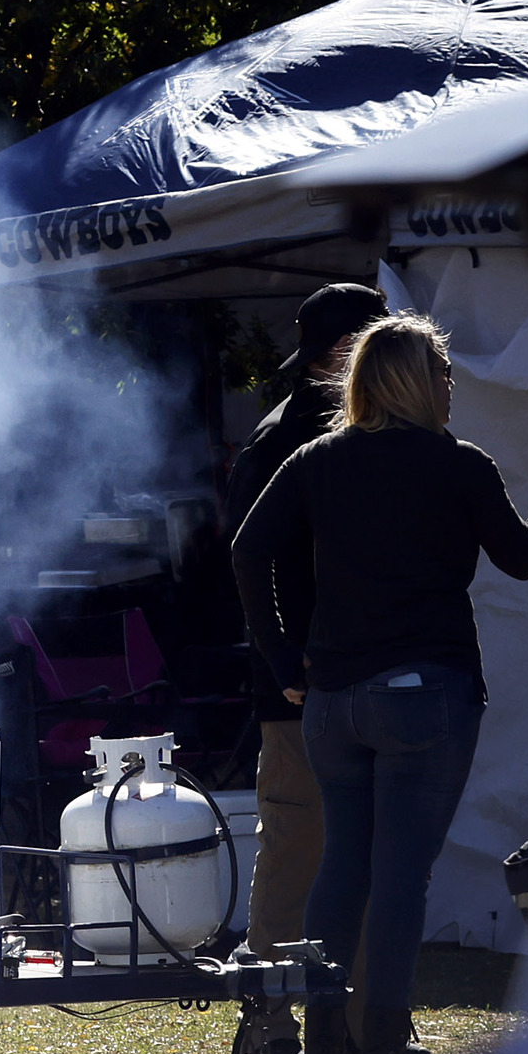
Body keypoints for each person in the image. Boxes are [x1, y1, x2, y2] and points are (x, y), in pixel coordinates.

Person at [229, 316, 528, 1054]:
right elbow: (522, 559)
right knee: (400, 877)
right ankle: (384, 1047)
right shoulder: (457, 464)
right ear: (415, 381)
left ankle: (326, 1043)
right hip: (424, 694)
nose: (451, 384)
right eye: (444, 371)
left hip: (333, 697)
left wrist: (282, 653)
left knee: (342, 869)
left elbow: (247, 548)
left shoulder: (317, 458)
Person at [225, 281, 387, 962]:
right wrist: (283, 659)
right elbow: (248, 558)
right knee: (298, 851)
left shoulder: (343, 434)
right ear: (346, 351)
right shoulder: (284, 440)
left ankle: (352, 1023)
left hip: (343, 679)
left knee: (349, 852)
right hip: (299, 690)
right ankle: (271, 1019)